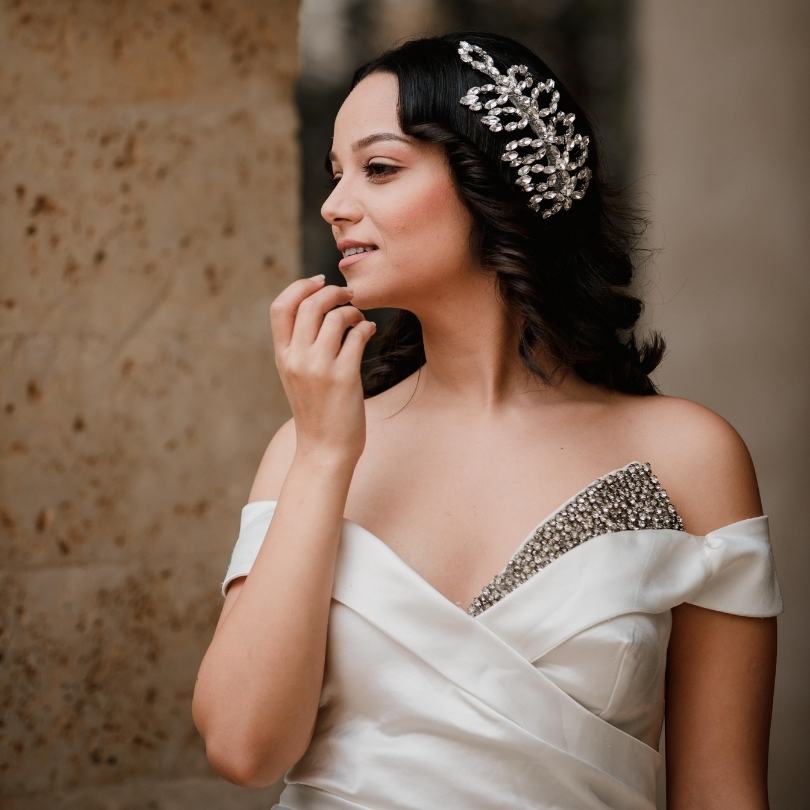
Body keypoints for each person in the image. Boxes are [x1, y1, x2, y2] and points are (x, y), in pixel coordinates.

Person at [191, 32, 784, 809]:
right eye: (335, 176)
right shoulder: (308, 447)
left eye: (379, 168)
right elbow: (243, 747)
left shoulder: (688, 456)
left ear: (492, 182)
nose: (335, 206)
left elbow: (721, 793)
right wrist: (327, 454)